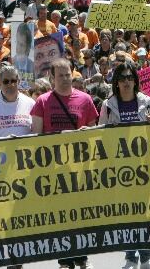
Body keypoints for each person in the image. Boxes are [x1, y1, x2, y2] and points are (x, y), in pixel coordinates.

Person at [31, 58, 98, 269]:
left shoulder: (86, 100)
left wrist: (88, 133)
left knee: (81, 214)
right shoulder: (42, 102)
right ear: (52, 78)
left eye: (68, 74)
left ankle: (82, 257)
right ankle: (65, 259)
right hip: (54, 170)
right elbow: (36, 136)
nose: (65, 79)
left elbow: (95, 133)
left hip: (80, 169)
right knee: (61, 216)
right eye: (60, 75)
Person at [98, 61, 150, 269]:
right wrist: (108, 129)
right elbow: (100, 137)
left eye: (130, 77)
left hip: (143, 167)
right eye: (122, 78)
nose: (126, 82)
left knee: (144, 213)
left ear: (135, 81)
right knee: (127, 214)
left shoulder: (147, 101)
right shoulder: (108, 105)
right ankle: (130, 257)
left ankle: (146, 257)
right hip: (120, 168)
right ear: (116, 82)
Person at [0, 66, 35, 138]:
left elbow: (37, 132)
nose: (10, 85)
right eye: (6, 81)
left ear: (18, 81)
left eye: (13, 81)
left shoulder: (31, 103)